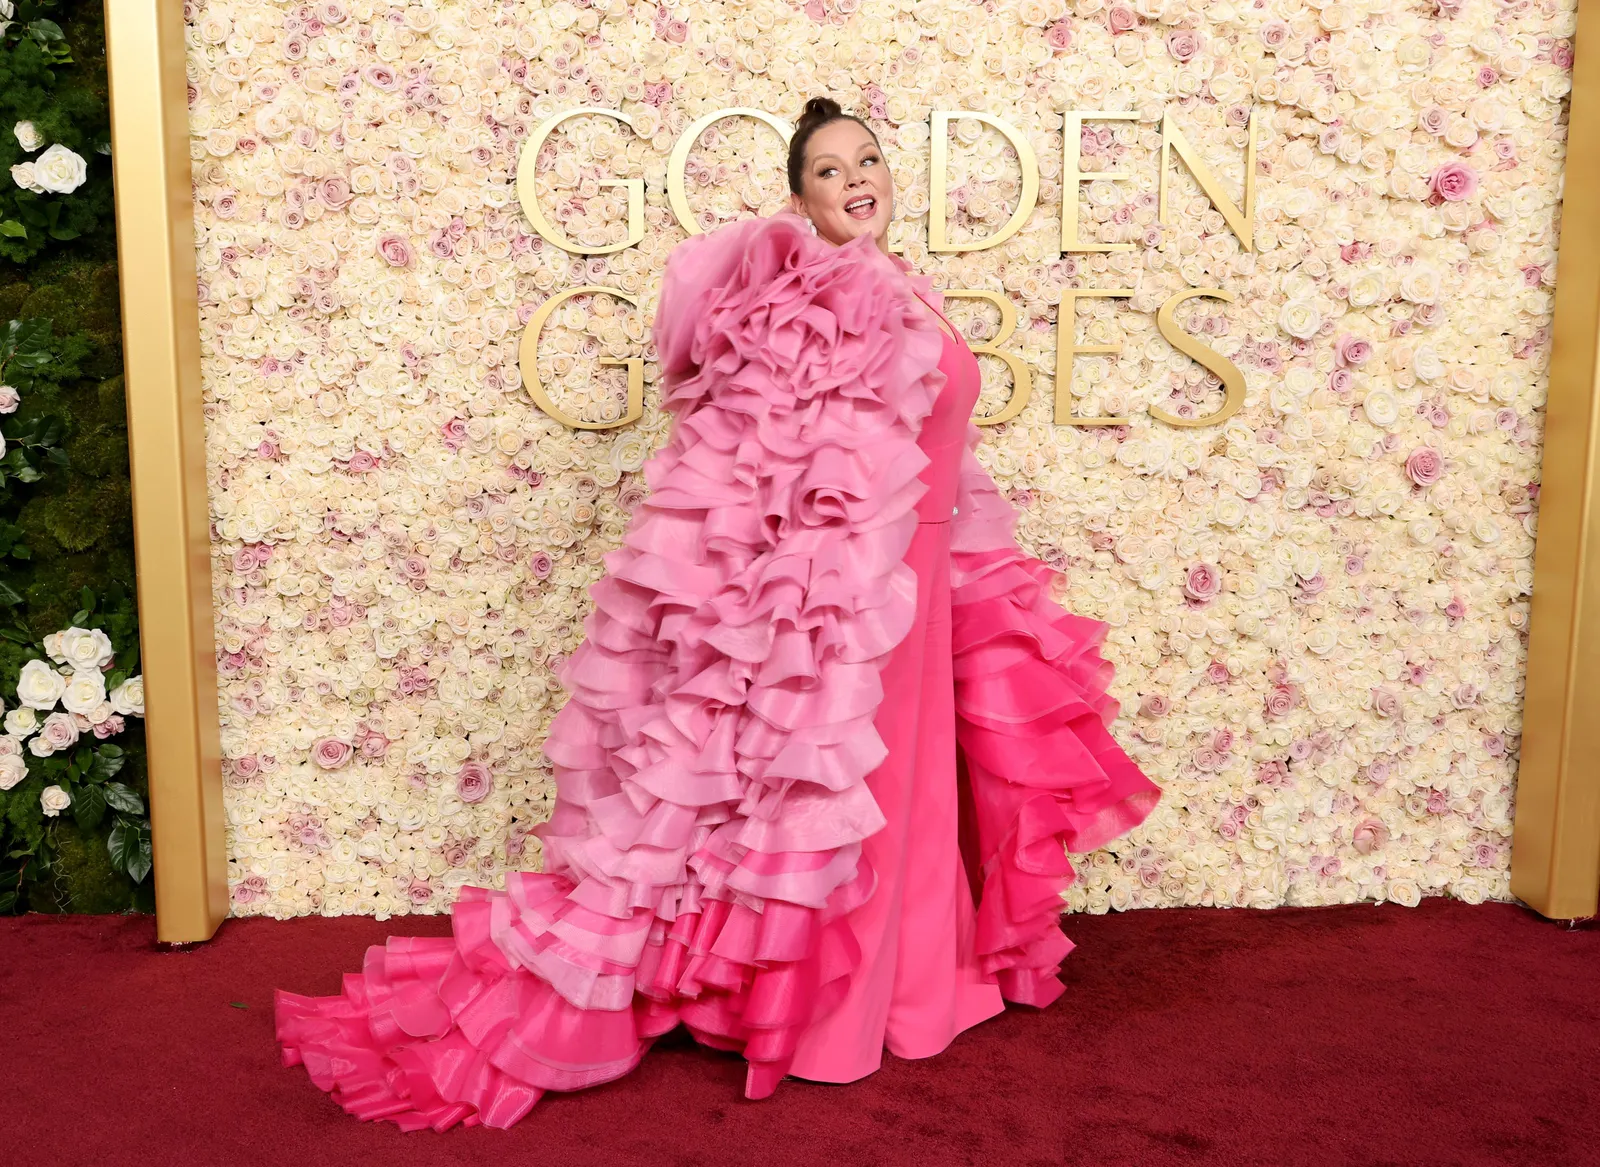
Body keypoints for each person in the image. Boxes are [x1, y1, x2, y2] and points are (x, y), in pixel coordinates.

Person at [275, 97, 1161, 1132]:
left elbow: (936, 456)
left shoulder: (906, 293)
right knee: (847, 807)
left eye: (867, 160)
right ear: (798, 199)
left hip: (917, 590)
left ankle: (920, 991)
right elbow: (751, 471)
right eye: (829, 171)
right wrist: (784, 626)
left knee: (911, 801)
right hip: (850, 603)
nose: (855, 179)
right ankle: (833, 1020)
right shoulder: (801, 300)